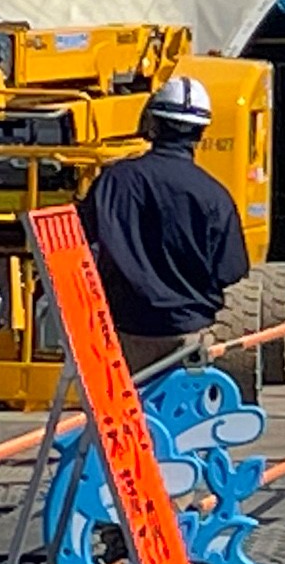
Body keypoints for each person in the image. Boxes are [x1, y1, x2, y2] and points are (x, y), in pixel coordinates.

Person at [85, 71, 251, 381]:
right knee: (185, 426)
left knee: (129, 426)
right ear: (201, 133)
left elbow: (83, 244)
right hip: (188, 335)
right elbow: (231, 270)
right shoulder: (214, 196)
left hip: (125, 333)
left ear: (153, 124)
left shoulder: (115, 181)